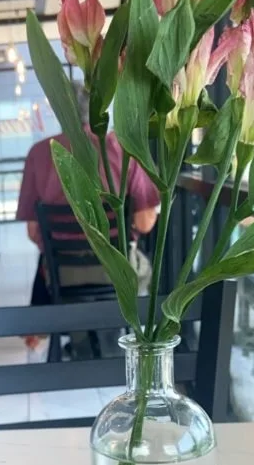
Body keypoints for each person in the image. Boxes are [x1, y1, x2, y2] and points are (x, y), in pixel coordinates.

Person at [16, 86, 160, 343]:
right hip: (116, 271)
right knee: (144, 270)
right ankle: (117, 336)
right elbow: (145, 222)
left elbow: (33, 232)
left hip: (62, 274)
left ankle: (72, 338)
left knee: (46, 267)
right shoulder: (126, 150)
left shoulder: (38, 153)